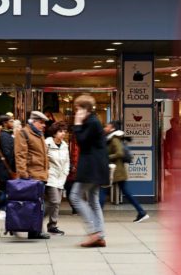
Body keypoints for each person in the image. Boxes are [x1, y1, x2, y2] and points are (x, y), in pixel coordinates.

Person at [69, 94, 109, 247]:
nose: (76, 112)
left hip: (91, 167)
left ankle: (94, 232)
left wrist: (77, 124)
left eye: (77, 108)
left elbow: (82, 142)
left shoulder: (92, 122)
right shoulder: (93, 121)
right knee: (93, 200)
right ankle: (100, 235)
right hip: (97, 167)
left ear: (84, 109)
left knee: (75, 197)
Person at [100, 120, 149, 223]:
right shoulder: (111, 138)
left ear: (112, 128)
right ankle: (141, 212)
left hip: (115, 171)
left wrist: (106, 157)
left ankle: (97, 216)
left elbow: (120, 153)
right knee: (125, 193)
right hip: (117, 171)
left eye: (107, 126)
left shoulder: (114, 139)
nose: (105, 127)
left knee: (103, 191)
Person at [14, 110, 51, 240]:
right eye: (41, 123)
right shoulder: (23, 133)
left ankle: (34, 230)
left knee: (39, 204)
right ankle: (30, 229)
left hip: (41, 174)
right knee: (34, 205)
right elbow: (20, 155)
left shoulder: (38, 134)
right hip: (31, 175)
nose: (44, 125)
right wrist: (23, 174)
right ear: (34, 122)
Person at [45, 121, 70, 235]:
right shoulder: (47, 143)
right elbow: (43, 160)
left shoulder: (65, 145)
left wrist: (65, 173)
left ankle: (52, 226)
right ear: (54, 133)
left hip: (61, 177)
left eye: (64, 131)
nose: (63, 133)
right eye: (60, 131)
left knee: (57, 202)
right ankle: (46, 222)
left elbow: (67, 162)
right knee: (55, 201)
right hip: (50, 176)